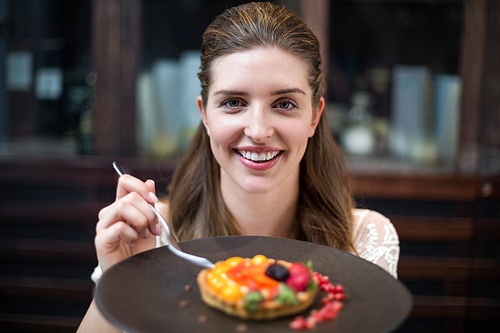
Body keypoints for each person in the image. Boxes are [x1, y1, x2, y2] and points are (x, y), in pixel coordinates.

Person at [77, 2, 399, 331]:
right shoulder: (150, 236)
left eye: (285, 104)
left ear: (315, 116)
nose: (258, 131)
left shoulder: (364, 240)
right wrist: (123, 280)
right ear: (204, 114)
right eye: (233, 103)